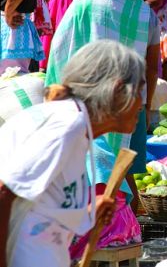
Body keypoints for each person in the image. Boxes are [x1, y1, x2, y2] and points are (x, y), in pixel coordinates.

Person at [0, 40, 144, 267]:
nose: (142, 103)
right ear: (117, 90)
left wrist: (87, 213)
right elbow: (3, 192)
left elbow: (41, 210)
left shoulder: (77, 129)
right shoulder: (67, 125)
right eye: (138, 90)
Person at [45, 0, 159, 209]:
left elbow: (60, 52)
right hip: (129, 102)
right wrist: (145, 103)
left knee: (91, 165)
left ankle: (102, 223)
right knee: (124, 166)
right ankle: (125, 222)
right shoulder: (144, 11)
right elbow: (153, 65)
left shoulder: (83, 3)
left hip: (85, 105)